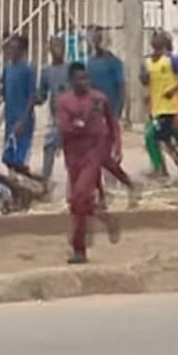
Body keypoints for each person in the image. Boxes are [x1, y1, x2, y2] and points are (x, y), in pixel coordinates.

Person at [55, 62, 132, 264]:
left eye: (86, 78)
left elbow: (112, 121)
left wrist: (117, 145)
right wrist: (80, 124)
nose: (84, 82)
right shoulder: (64, 102)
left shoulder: (99, 98)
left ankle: (78, 249)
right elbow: (64, 127)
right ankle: (106, 220)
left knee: (80, 196)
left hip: (93, 153)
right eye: (80, 79)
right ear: (71, 81)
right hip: (73, 156)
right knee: (78, 202)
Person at [140, 31, 178, 180]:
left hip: (171, 108)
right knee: (174, 139)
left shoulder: (172, 60)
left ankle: (160, 169)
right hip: (157, 108)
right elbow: (144, 81)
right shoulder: (148, 62)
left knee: (151, 136)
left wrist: (171, 91)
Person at [0, 35, 40, 180]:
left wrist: (23, 120)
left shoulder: (28, 70)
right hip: (10, 119)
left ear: (23, 50)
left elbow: (32, 97)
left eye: (14, 48)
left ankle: (29, 185)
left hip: (24, 120)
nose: (11, 51)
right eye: (9, 48)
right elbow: (4, 93)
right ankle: (16, 187)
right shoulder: (7, 68)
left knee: (19, 158)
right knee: (8, 158)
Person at [37, 36, 70, 182]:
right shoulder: (46, 71)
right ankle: (45, 181)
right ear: (49, 49)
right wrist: (32, 99)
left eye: (60, 46)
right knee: (49, 147)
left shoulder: (71, 69)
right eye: (55, 46)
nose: (58, 50)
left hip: (72, 117)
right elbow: (42, 95)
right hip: (57, 118)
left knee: (73, 153)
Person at [86, 26, 126, 120]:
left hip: (110, 108)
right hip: (94, 109)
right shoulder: (89, 62)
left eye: (99, 39)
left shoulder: (114, 62)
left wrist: (119, 110)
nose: (97, 42)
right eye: (94, 39)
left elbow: (121, 87)